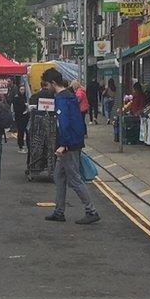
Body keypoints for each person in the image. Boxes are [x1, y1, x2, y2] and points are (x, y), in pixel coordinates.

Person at [42, 68, 100, 225]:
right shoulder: (70, 96)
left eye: (46, 85)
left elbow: (64, 124)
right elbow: (77, 121)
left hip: (69, 144)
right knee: (58, 176)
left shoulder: (61, 99)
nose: (45, 88)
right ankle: (59, 211)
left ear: (53, 83)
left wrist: (64, 145)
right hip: (74, 141)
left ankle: (91, 211)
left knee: (74, 179)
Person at [12, 86, 28, 153]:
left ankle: (23, 144)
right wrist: (24, 106)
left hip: (25, 116)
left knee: (25, 131)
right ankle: (20, 145)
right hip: (19, 117)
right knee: (20, 131)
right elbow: (16, 108)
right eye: (21, 89)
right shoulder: (16, 97)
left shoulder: (25, 97)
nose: (22, 91)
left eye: (24, 89)